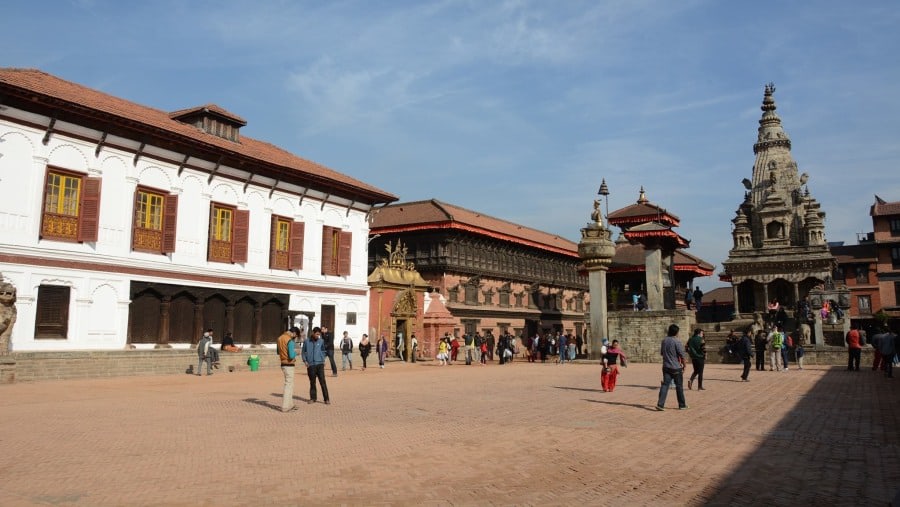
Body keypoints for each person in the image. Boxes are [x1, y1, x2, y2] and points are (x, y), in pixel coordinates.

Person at [656, 324, 688, 411]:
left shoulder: (664, 341)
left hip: (666, 366)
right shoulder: (677, 341)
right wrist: (684, 365)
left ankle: (660, 404)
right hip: (676, 367)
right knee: (679, 386)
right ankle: (682, 405)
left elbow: (662, 353)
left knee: (665, 385)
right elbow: (682, 355)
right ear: (676, 332)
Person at [301, 327, 330, 405]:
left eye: (319, 334)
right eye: (317, 334)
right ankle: (313, 398)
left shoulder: (321, 341)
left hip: (320, 364)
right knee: (312, 382)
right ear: (313, 333)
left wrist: (323, 359)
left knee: (323, 382)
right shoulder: (306, 342)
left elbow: (324, 351)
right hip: (311, 365)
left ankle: (326, 399)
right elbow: (303, 352)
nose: (318, 336)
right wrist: (305, 361)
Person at [277, 327, 301, 412]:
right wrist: (296, 353)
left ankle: (290, 404)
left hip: (283, 363)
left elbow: (277, 352)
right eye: (296, 335)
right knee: (288, 385)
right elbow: (291, 355)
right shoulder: (289, 341)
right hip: (289, 364)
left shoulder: (279, 338)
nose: (295, 337)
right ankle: (285, 406)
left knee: (290, 384)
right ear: (294, 333)